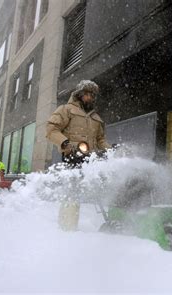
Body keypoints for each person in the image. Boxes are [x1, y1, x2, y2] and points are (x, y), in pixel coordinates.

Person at [46, 80, 111, 231]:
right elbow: (51, 129)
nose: (90, 98)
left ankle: (108, 222)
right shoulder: (66, 110)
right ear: (80, 94)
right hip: (73, 156)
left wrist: (110, 150)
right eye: (87, 94)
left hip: (91, 159)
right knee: (72, 192)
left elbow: (100, 140)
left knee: (100, 188)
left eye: (93, 95)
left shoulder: (96, 118)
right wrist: (65, 143)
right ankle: (67, 227)